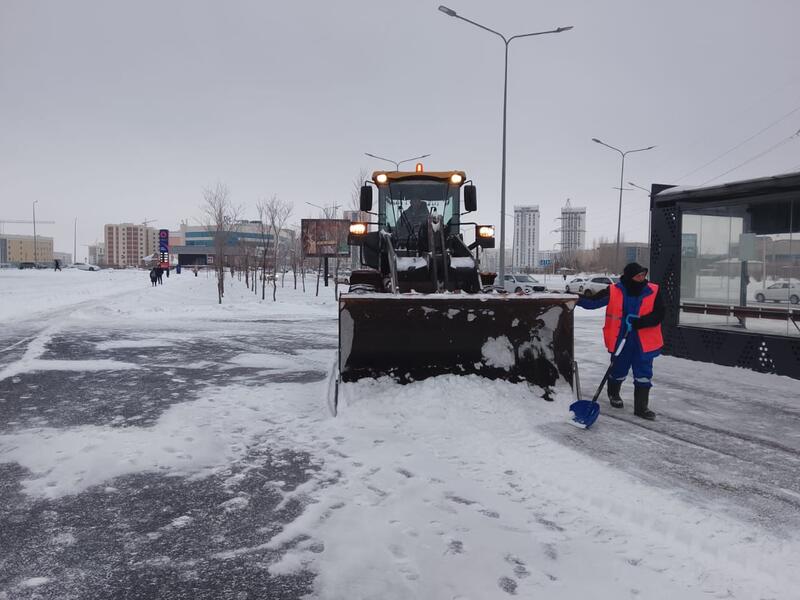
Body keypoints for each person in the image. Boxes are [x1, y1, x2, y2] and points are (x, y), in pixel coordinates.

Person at [577, 262, 664, 420]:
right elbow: (593, 302)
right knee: (618, 369)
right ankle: (614, 394)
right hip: (621, 338)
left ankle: (641, 407)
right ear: (630, 276)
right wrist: (574, 299)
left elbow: (660, 314)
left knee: (644, 373)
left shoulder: (653, 290)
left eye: (643, 275)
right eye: (638, 275)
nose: (642, 278)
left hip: (643, 341)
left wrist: (642, 322)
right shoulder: (615, 290)